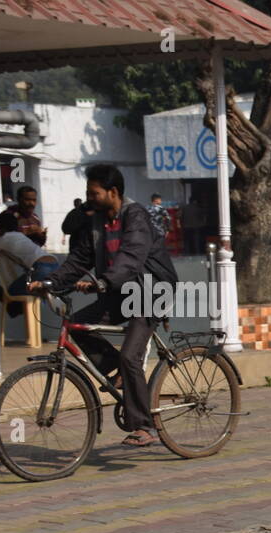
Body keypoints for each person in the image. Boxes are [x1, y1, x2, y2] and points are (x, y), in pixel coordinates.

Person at [27, 163, 178, 448]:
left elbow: (131, 256)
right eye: (88, 192)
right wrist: (50, 283)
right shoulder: (96, 221)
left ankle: (145, 427)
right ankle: (120, 373)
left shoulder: (136, 216)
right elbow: (78, 261)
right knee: (79, 327)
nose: (89, 198)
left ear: (113, 192)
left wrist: (104, 282)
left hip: (151, 291)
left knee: (131, 356)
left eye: (93, 193)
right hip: (118, 290)